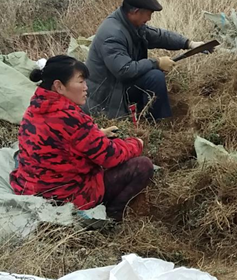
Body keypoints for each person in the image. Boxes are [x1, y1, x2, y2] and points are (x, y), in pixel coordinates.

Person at [10, 55, 152, 221]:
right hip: (66, 196)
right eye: (80, 81)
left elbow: (63, 137)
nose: (86, 87)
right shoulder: (71, 119)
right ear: (59, 86)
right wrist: (136, 143)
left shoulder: (34, 109)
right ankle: (113, 214)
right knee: (143, 165)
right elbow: (110, 156)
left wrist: (97, 133)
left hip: (30, 187)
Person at [86, 0, 208, 120]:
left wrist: (189, 44)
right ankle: (157, 122)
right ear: (135, 11)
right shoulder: (112, 34)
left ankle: (148, 113)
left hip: (120, 84)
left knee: (153, 75)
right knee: (154, 76)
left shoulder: (131, 24)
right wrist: (156, 63)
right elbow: (124, 70)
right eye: (148, 14)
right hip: (108, 94)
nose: (149, 18)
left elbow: (159, 36)